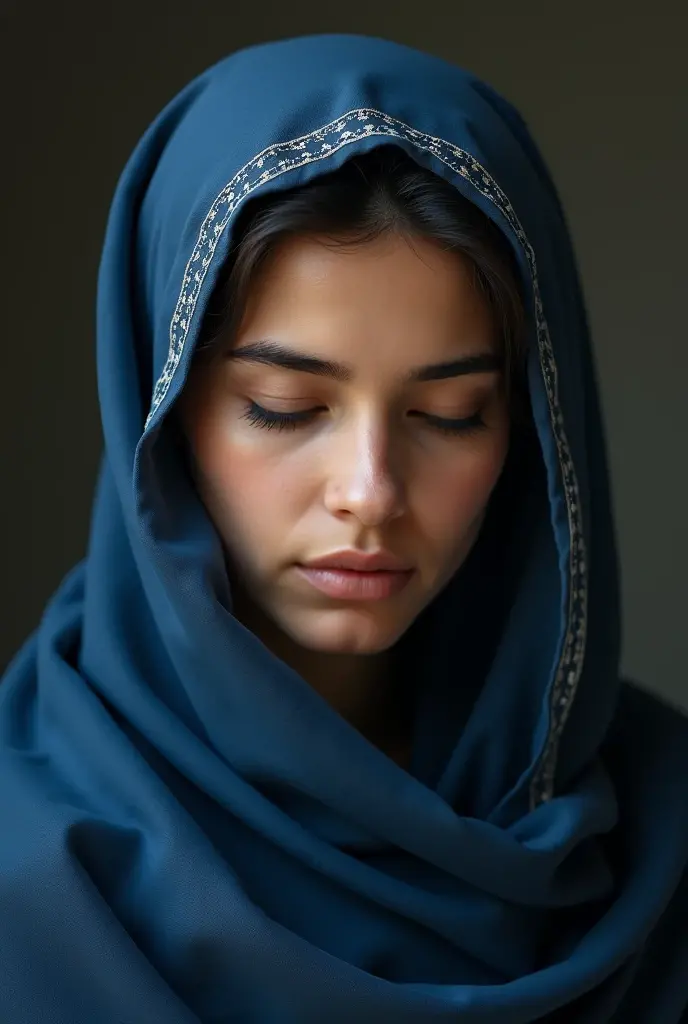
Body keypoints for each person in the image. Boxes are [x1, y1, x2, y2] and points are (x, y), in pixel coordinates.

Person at [0, 33, 686, 1024]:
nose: (369, 490)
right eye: (283, 405)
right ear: (160, 413)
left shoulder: (661, 841)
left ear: (536, 433)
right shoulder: (28, 874)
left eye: (449, 415)